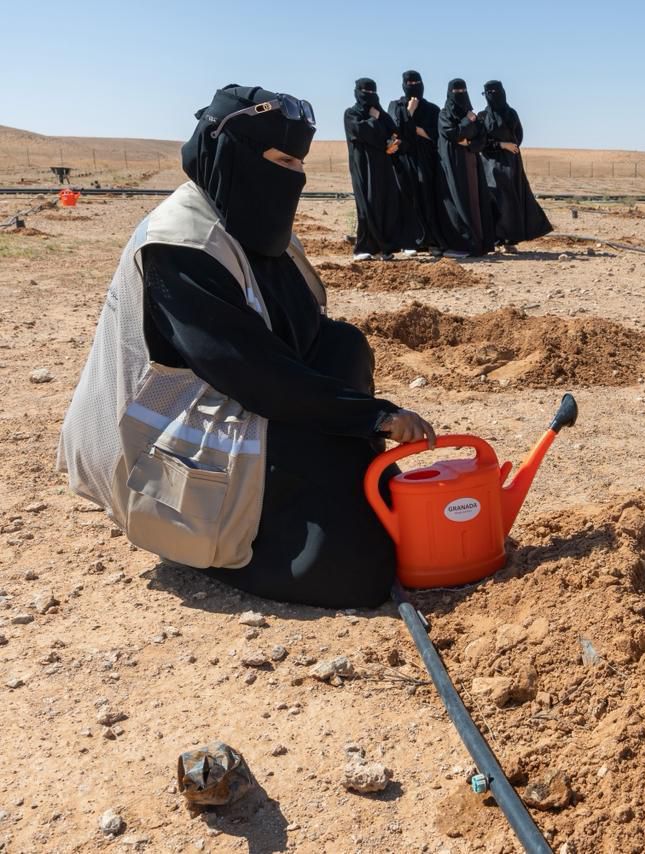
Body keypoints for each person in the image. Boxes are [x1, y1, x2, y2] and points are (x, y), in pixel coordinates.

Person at [58, 84, 436, 608]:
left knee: (343, 347)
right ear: (232, 155)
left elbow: (303, 331)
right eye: (281, 160)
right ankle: (198, 542)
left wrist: (352, 415)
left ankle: (333, 486)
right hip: (166, 430)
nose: (294, 176)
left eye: (299, 163)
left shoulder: (249, 224)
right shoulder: (181, 243)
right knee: (354, 572)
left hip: (249, 397)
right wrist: (373, 415)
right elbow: (248, 369)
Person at [344, 78, 417, 260]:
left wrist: (394, 144)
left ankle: (385, 248)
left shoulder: (383, 115)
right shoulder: (351, 114)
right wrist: (373, 119)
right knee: (367, 204)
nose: (369, 96)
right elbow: (361, 132)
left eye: (372, 92)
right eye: (365, 92)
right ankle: (364, 248)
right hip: (363, 166)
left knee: (386, 204)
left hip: (384, 167)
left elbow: (394, 134)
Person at [478, 80, 552, 251]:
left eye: (495, 92)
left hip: (511, 162)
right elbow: (481, 141)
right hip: (489, 164)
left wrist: (510, 147)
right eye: (488, 93)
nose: (492, 96)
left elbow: (518, 136)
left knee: (511, 199)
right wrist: (500, 145)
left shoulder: (511, 114)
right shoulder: (482, 116)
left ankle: (510, 239)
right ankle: (495, 239)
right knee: (494, 198)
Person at [389, 69, 447, 254]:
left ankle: (431, 240)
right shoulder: (395, 106)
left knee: (428, 196)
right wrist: (410, 112)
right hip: (404, 159)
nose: (413, 87)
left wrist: (411, 128)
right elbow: (394, 131)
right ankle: (410, 241)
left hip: (426, 160)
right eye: (409, 84)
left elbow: (436, 135)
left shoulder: (432, 109)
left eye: (417, 83)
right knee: (407, 196)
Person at [437, 78, 495, 257]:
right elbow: (452, 133)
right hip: (452, 165)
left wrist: (468, 142)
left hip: (471, 163)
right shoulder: (444, 115)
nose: (460, 95)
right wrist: (467, 123)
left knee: (474, 201)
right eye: (456, 92)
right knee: (457, 200)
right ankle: (462, 244)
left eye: (463, 91)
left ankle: (477, 243)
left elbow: (481, 138)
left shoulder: (473, 115)